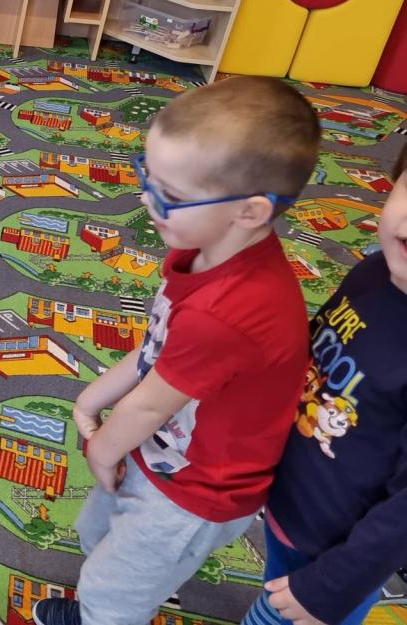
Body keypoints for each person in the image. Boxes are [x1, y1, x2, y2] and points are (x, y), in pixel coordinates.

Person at [32, 76, 321, 625]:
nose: (148, 200)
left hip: (194, 491)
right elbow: (156, 348)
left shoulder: (227, 310)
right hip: (166, 448)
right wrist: (91, 401)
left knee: (116, 595)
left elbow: (148, 405)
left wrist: (102, 451)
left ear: (250, 212)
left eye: (172, 195)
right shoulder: (203, 248)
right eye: (149, 176)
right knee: (100, 538)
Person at [240, 142, 407, 625]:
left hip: (335, 555)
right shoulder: (375, 271)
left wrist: (330, 589)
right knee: (274, 582)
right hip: (292, 501)